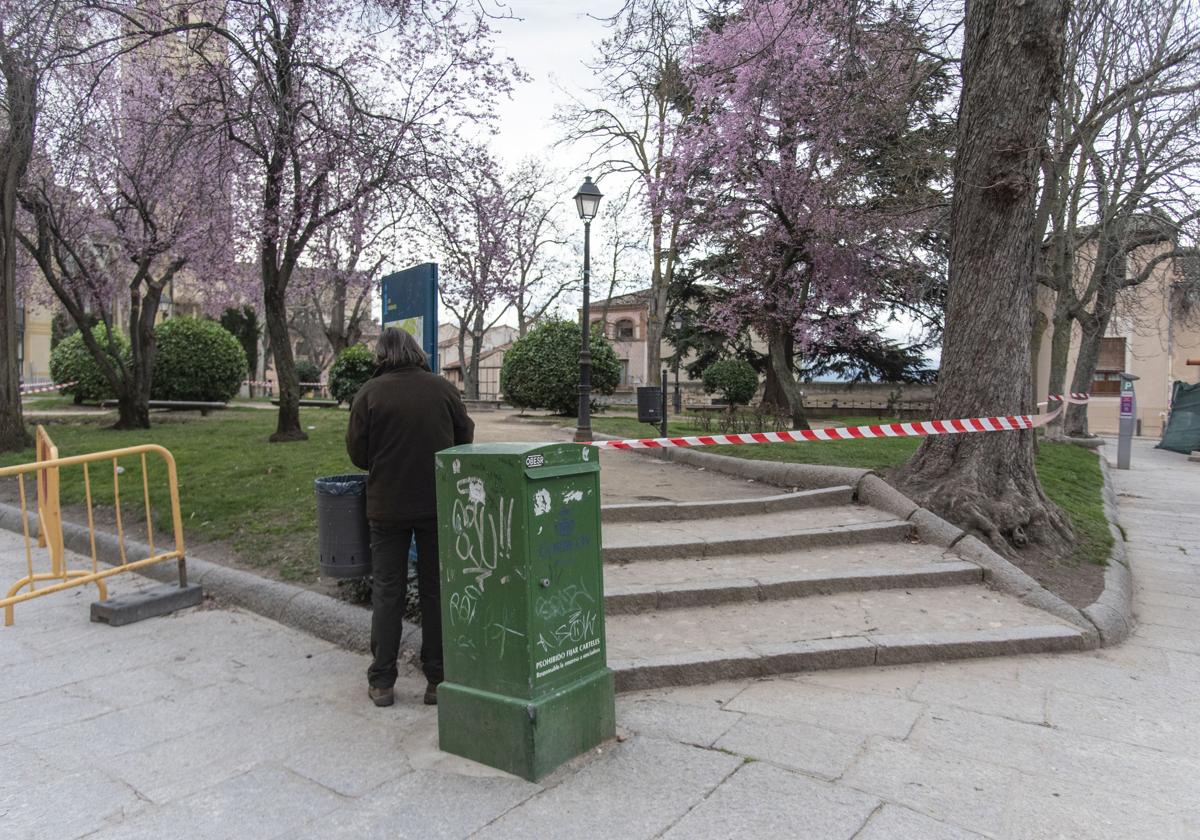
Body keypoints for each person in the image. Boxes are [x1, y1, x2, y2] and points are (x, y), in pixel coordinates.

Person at [346, 328, 474, 707]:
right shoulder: (443, 389)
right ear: (416, 351)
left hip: (386, 507)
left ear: (382, 356)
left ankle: (383, 680)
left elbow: (357, 453)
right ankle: (438, 678)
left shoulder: (369, 394)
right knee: (436, 589)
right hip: (437, 503)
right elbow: (464, 439)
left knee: (388, 591)